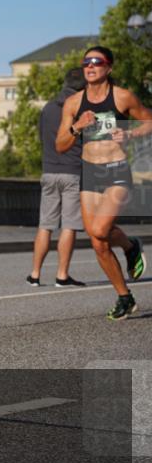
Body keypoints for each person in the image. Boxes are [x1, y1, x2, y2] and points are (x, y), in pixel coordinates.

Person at [56, 46, 152, 320]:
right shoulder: (74, 103)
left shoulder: (122, 97)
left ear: (108, 68)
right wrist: (77, 128)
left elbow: (149, 121)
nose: (91, 66)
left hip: (117, 170)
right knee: (98, 242)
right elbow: (60, 145)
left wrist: (131, 134)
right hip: (90, 173)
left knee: (99, 228)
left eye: (97, 62)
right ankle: (125, 296)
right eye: (86, 62)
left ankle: (130, 247)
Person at [27, 68, 88, 287]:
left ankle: (35, 274)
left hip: (49, 171)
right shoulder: (84, 110)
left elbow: (42, 138)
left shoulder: (48, 108)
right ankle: (62, 275)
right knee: (69, 225)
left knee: (45, 225)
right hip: (73, 172)